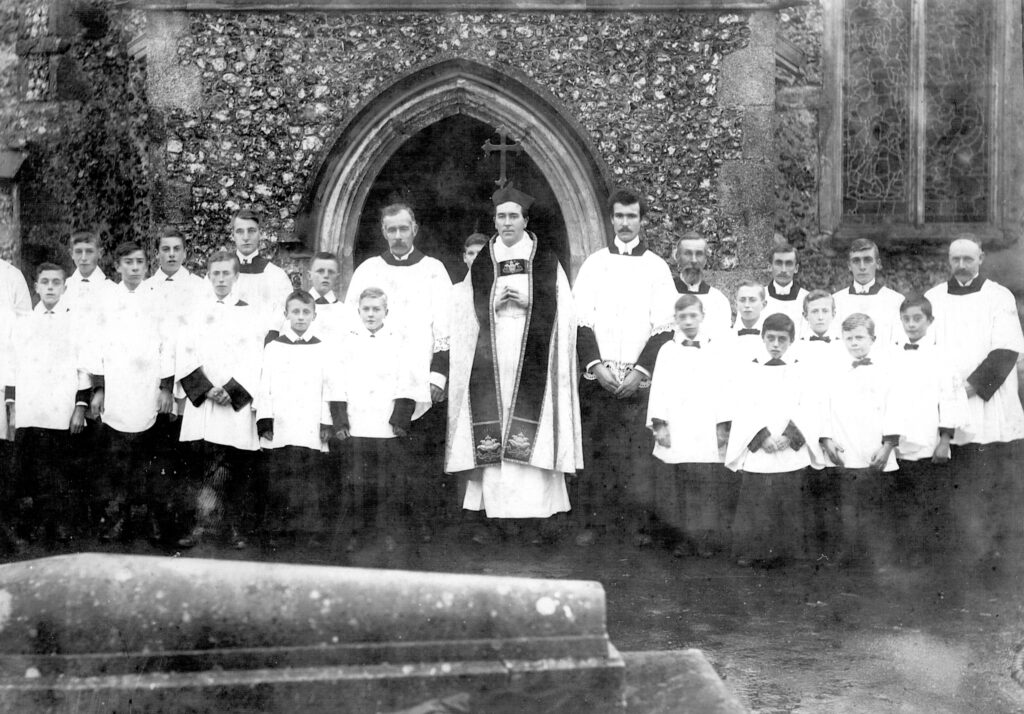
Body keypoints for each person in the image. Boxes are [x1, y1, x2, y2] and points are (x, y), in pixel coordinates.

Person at [446, 186, 582, 539]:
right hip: (491, 360)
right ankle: (493, 518)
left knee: (531, 433)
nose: (507, 223)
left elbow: (566, 313)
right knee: (494, 429)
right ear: (495, 221)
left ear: (526, 220)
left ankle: (536, 520)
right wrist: (492, 302)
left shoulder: (546, 260)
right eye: (501, 217)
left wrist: (530, 300)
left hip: (532, 357)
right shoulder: (483, 262)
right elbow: (462, 312)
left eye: (513, 216)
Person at [571, 187, 676, 546]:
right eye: (620, 216)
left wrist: (639, 372)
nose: (626, 223)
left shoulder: (657, 267)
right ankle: (593, 526)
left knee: (636, 456)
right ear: (611, 219)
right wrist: (596, 367)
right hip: (599, 377)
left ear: (642, 221)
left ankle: (637, 529)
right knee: (597, 449)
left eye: (632, 216)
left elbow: (664, 328)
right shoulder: (594, 263)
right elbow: (580, 322)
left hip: (637, 381)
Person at [345, 202, 451, 536]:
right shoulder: (368, 270)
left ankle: (415, 533)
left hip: (420, 381)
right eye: (391, 229)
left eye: (404, 228)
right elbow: (352, 326)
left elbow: (445, 327)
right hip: (375, 385)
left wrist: (438, 374)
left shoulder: (434, 270)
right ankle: (373, 531)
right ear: (383, 232)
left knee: (416, 461)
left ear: (415, 229)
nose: (398, 236)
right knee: (374, 459)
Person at [924, 235, 1024, 561]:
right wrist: (945, 394)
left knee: (990, 481)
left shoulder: (999, 296)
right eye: (956, 259)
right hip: (948, 405)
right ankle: (956, 555)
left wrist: (966, 390)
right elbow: (926, 348)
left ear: (981, 258)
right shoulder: (934, 298)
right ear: (948, 261)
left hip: (988, 403)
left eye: (969, 258)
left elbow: (1006, 350)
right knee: (954, 482)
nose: (962, 265)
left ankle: (995, 556)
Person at [84, 242, 175, 544]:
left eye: (139, 262)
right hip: (119, 391)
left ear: (147, 266)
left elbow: (168, 344)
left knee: (149, 461)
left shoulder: (159, 298)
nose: (135, 267)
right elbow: (96, 344)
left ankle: (151, 520)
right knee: (118, 462)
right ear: (118, 266)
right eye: (128, 262)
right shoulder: (107, 299)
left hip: (148, 389)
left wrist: (165, 387)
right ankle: (120, 518)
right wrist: (99, 390)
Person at [176, 251, 267, 548]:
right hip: (205, 402)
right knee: (201, 465)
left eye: (226, 273)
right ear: (208, 276)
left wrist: (231, 390)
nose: (221, 279)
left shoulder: (250, 313)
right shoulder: (195, 312)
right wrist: (206, 388)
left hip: (232, 403)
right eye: (215, 274)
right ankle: (200, 526)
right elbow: (185, 351)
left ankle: (233, 528)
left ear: (236, 276)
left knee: (234, 466)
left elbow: (255, 357)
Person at [331, 287, 428, 552]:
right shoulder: (347, 340)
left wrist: (400, 419)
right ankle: (355, 535)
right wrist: (340, 421)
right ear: (359, 311)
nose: (371, 314)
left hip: (386, 424)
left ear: (386, 311)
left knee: (388, 484)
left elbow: (407, 380)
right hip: (357, 423)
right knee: (355, 483)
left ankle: (387, 535)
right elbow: (336, 380)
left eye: (376, 309)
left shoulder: (398, 340)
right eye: (366, 309)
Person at [726, 313, 822, 567]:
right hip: (761, 446)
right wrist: (762, 436)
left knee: (790, 498)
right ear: (763, 338)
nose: (776, 344)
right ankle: (752, 551)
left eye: (782, 339)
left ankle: (792, 552)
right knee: (757, 499)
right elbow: (743, 406)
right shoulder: (750, 368)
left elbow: (809, 405)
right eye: (771, 338)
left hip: (790, 445)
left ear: (791, 340)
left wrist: (791, 436)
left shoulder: (801, 369)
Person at [6, 263, 90, 544]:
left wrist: (80, 406)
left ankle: (59, 526)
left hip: (61, 410)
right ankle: (36, 525)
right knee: (32, 471)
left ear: (65, 287)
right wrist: (13, 404)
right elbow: (12, 364)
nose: (51, 287)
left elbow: (83, 367)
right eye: (46, 282)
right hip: (32, 409)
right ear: (36, 287)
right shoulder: (24, 322)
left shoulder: (75, 321)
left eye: (57, 282)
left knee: (60, 471)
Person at [646, 294, 733, 557]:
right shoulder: (667, 350)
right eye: (682, 317)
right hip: (678, 427)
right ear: (675, 320)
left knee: (704, 486)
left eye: (693, 315)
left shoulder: (715, 349)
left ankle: (703, 539)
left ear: (702, 317)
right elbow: (658, 388)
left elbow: (723, 388)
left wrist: (722, 425)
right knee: (678, 485)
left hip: (704, 427)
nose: (688, 321)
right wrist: (660, 425)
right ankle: (682, 539)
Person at [887, 295, 967, 564]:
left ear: (930, 321)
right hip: (899, 442)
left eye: (917, 318)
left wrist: (944, 440)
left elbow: (951, 399)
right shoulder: (892, 355)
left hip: (929, 438)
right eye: (906, 319)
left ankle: (930, 558)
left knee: (928, 497)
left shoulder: (941, 357)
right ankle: (904, 555)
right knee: (901, 498)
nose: (911, 324)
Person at [818, 313, 903, 565]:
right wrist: (826, 440)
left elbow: (895, 408)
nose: (854, 343)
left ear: (873, 339)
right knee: (845, 505)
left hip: (875, 449)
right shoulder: (833, 371)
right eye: (849, 338)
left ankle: (879, 558)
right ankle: (846, 555)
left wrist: (888, 445)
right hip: (845, 448)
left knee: (876, 506)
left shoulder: (887, 371)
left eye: (860, 337)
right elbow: (823, 406)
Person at [257, 290, 337, 546]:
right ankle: (277, 532)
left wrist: (326, 421)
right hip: (282, 422)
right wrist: (265, 419)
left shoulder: (323, 347)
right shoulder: (274, 347)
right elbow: (264, 385)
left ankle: (308, 534)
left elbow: (329, 386)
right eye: (296, 312)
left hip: (310, 423)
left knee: (310, 477)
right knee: (280, 476)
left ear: (314, 315)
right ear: (286, 314)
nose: (300, 317)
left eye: (306, 312)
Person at [229, 209, 294, 332]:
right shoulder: (219, 274)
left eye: (251, 231)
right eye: (240, 231)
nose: (246, 237)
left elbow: (286, 315)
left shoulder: (276, 276)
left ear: (261, 233)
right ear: (233, 235)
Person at [832, 238, 904, 349]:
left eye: (867, 260)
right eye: (856, 261)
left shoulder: (895, 300)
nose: (862, 267)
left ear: (878, 264)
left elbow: (898, 341)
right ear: (849, 266)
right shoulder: (836, 300)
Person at [672, 231, 731, 342]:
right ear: (677, 257)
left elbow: (723, 343)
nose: (694, 260)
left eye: (699, 254)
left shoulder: (718, 300)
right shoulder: (665, 292)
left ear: (705, 259)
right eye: (688, 254)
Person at [764, 239, 809, 338]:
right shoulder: (759, 297)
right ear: (769, 267)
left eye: (788, 264)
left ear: (796, 268)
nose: (783, 270)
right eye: (779, 263)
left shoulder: (807, 299)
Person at [304, 251, 345, 342]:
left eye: (331, 272)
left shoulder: (345, 312)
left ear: (337, 277)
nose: (326, 275)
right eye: (320, 271)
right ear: (309, 275)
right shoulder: (296, 308)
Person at [726, 281, 769, 365]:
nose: (746, 305)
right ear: (735, 304)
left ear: (763, 304)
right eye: (742, 300)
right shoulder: (725, 336)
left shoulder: (773, 336)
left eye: (752, 300)